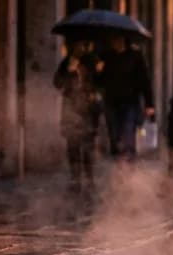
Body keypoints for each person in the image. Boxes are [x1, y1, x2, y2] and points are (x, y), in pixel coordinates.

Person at [53, 39, 102, 191]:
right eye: (75, 45)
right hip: (71, 107)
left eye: (81, 45)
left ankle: (89, 177)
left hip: (87, 109)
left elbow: (100, 82)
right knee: (72, 144)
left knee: (87, 145)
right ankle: (75, 178)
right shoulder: (66, 63)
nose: (78, 48)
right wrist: (69, 70)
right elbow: (57, 83)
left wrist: (95, 92)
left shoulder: (93, 61)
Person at [98, 34, 155, 160]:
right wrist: (99, 71)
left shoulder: (135, 56)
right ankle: (119, 164)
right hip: (111, 102)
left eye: (116, 39)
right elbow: (99, 82)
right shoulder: (106, 57)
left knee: (128, 134)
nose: (114, 42)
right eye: (112, 40)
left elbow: (144, 81)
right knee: (114, 136)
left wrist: (149, 104)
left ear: (123, 39)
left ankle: (128, 167)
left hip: (130, 102)